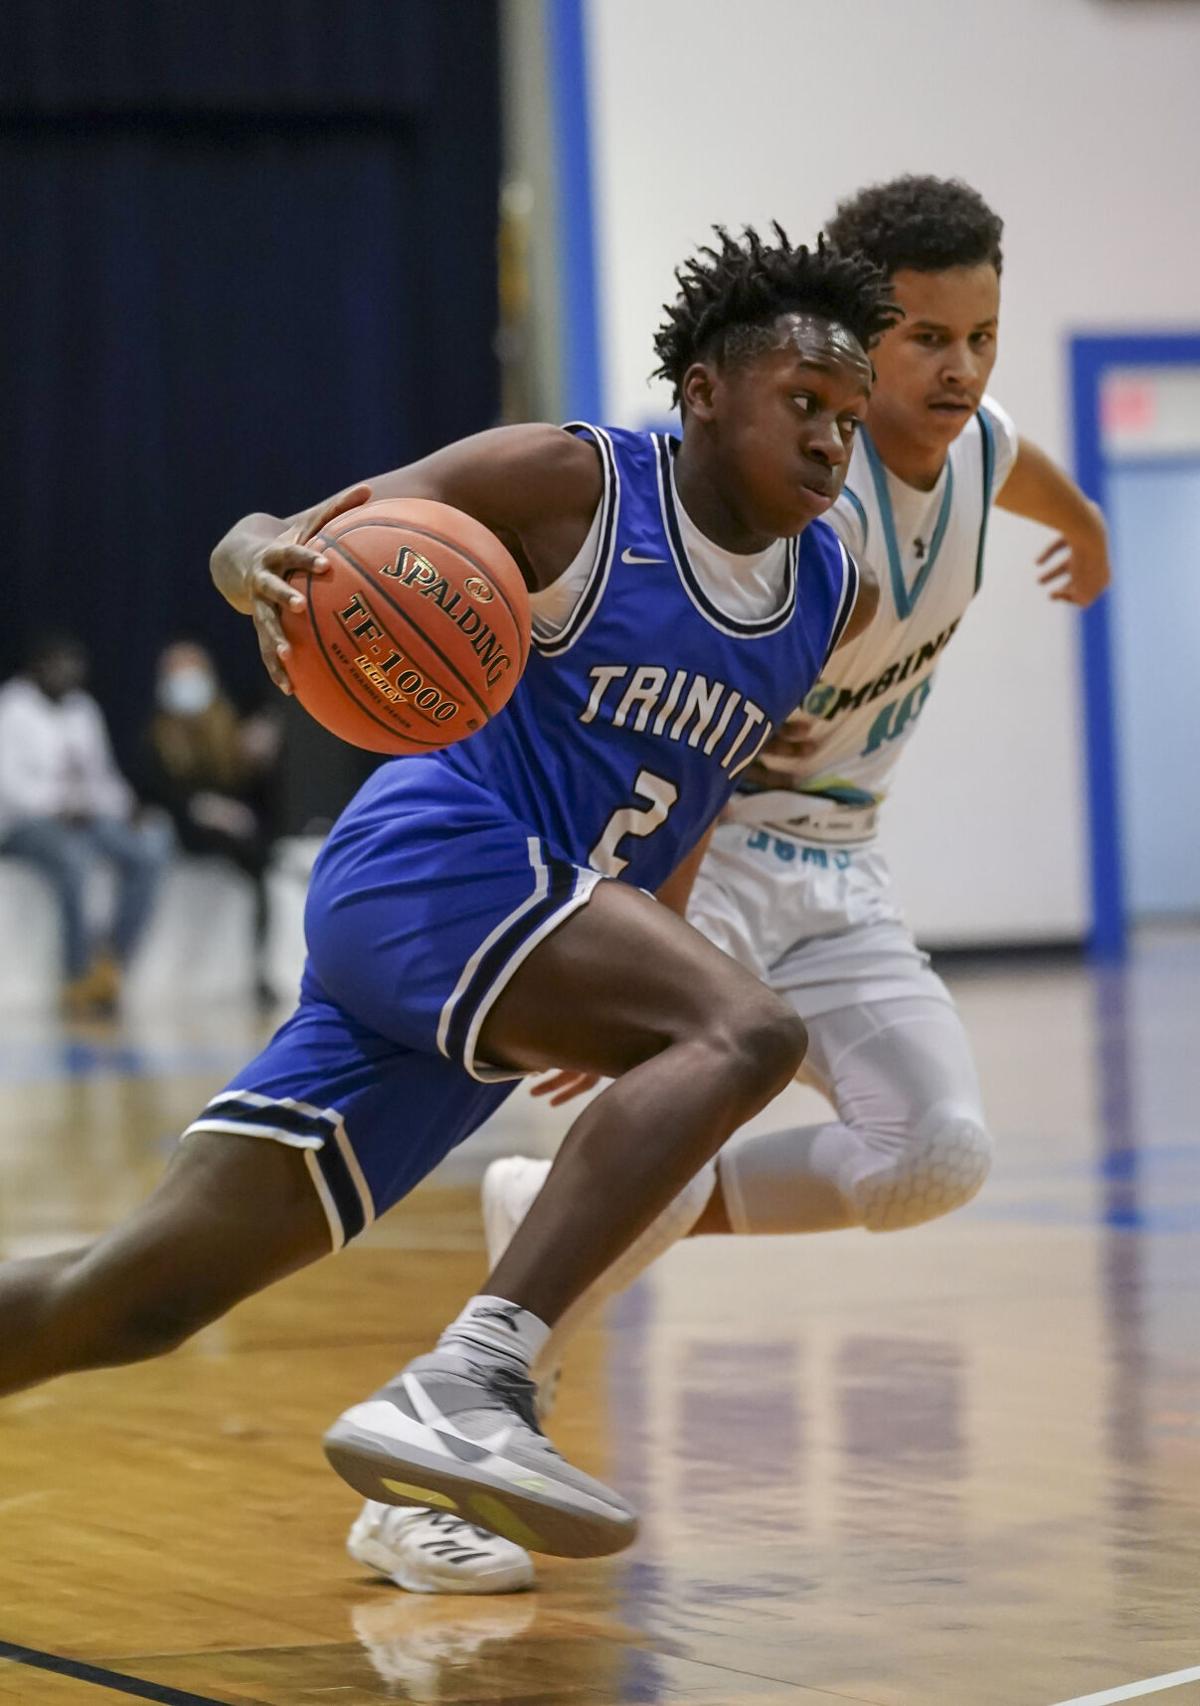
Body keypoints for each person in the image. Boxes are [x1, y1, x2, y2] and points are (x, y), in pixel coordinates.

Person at [0, 229, 897, 1560]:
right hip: (436, 860)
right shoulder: (578, 484)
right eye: (803, 405)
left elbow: (695, 794)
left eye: (848, 419)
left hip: (509, 935)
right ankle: (471, 1381)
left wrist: (664, 969)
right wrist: (258, 562)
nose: (832, 442)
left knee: (134, 1298)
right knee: (759, 1031)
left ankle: (454, 1396)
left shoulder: (827, 590)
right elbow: (286, 533)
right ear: (706, 391)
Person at [365, 176, 1113, 1590]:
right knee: (648, 1170)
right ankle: (424, 1479)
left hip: (848, 863)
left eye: (985, 336)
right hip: (721, 848)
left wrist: (1088, 525)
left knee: (935, 1153)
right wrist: (657, 928)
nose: (961, 369)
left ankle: (567, 1199)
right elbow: (666, 718)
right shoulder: (767, 512)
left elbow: (1018, 466)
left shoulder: (977, 440)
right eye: (928, 340)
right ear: (850, 338)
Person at [0, 632, 171, 1015]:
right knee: (74, 858)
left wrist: (126, 806)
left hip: (86, 817)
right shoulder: (12, 708)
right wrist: (59, 807)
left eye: (75, 665)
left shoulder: (82, 708)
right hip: (25, 825)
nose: (70, 673)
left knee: (149, 847)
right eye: (60, 665)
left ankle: (109, 964)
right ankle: (75, 977)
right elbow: (8, 787)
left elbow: (100, 775)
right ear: (37, 669)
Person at [141, 640, 281, 999]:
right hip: (185, 824)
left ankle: (262, 967)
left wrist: (256, 761)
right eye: (178, 673)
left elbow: (239, 786)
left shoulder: (223, 721)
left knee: (260, 853)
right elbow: (158, 790)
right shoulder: (158, 732)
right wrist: (206, 809)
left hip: (227, 822)